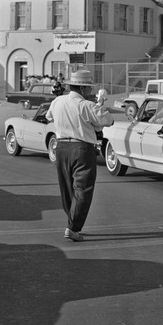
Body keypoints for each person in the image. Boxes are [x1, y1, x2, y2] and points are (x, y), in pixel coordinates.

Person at [46, 70, 114, 242]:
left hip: (61, 147)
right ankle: (73, 226)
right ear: (83, 89)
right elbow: (108, 120)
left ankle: (71, 220)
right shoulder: (87, 106)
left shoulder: (57, 101)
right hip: (82, 148)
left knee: (67, 187)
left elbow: (48, 117)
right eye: (89, 89)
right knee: (83, 189)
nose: (90, 92)